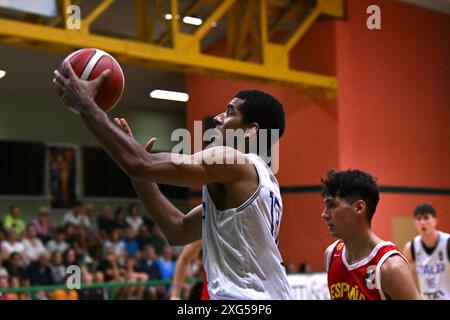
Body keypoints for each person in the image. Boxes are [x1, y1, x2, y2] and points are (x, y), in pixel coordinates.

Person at [53, 65, 292, 300]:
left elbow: (140, 162)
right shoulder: (263, 182)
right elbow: (178, 230)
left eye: (230, 112)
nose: (218, 118)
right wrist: (139, 173)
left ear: (251, 130)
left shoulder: (231, 160)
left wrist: (87, 105)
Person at [321, 169, 421, 300]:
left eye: (332, 205)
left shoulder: (390, 267)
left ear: (358, 208)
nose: (324, 215)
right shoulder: (331, 254)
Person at [402, 203, 450, 300]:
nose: (422, 222)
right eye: (419, 219)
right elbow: (402, 276)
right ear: (415, 223)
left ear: (435, 221)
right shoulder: (411, 247)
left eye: (426, 218)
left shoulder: (447, 242)